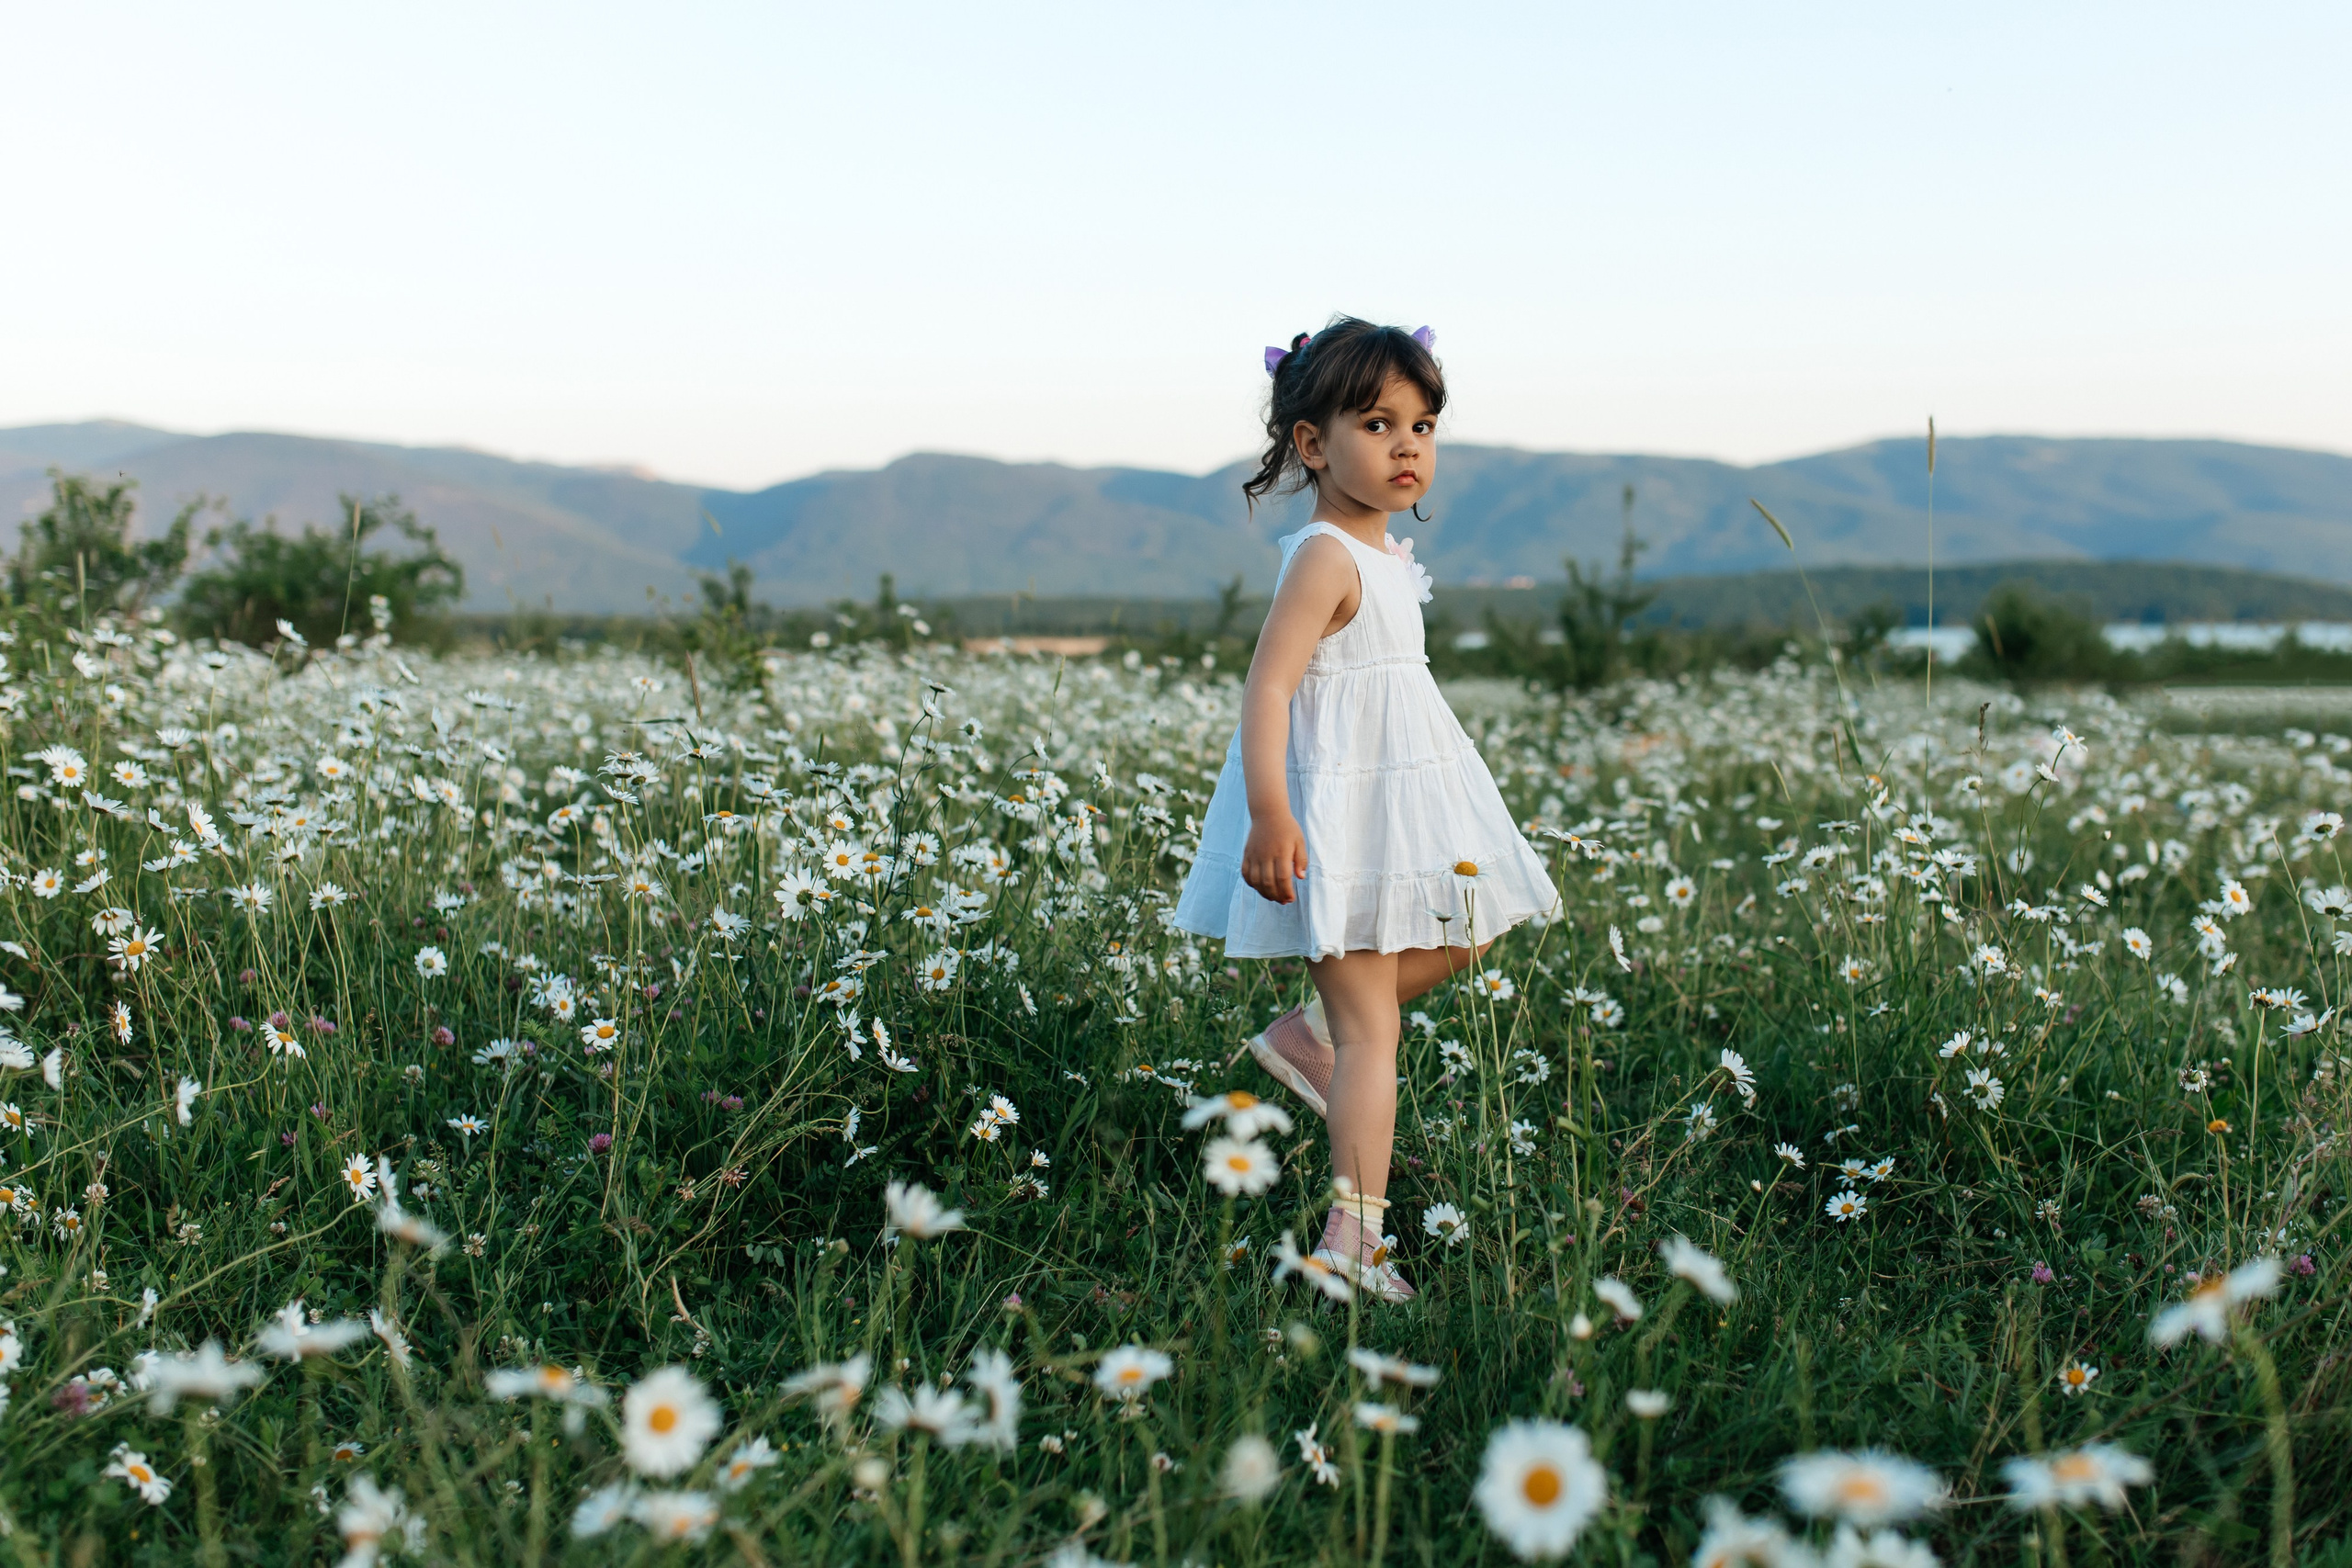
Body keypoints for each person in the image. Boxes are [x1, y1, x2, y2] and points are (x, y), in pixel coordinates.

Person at [1171, 316, 1560, 1301]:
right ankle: (1354, 1243)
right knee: (1370, 1036)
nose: (1407, 446)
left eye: (1423, 426)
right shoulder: (1323, 559)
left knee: (1473, 925)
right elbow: (1267, 689)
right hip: (1334, 822)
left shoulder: (1382, 558)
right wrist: (1270, 815)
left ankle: (1308, 1039)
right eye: (1378, 424)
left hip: (1398, 812)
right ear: (1312, 444)